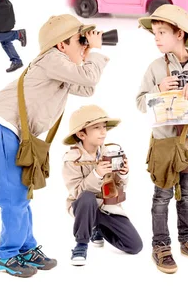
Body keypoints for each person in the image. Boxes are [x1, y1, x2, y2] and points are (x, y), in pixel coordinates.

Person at [0, 13, 109, 277]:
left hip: (15, 131)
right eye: (79, 40)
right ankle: (5, 254)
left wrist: (85, 53)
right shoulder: (52, 59)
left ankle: (25, 248)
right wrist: (93, 52)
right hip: (3, 126)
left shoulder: (61, 67)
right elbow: (89, 78)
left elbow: (87, 88)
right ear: (61, 45)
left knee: (23, 194)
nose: (84, 44)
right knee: (13, 196)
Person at [135, 4, 188, 274]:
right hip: (163, 144)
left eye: (162, 32)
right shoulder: (154, 68)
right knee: (161, 196)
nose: (157, 38)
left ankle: (187, 240)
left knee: (187, 195)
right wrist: (157, 90)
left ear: (180, 34)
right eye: (155, 33)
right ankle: (160, 244)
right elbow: (140, 103)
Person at [62, 104, 143, 266]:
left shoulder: (110, 153)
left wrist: (123, 173)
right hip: (83, 206)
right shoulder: (72, 159)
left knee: (134, 246)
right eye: (97, 128)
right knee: (86, 197)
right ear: (81, 134)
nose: (103, 132)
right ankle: (81, 244)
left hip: (107, 207)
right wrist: (97, 174)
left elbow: (119, 188)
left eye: (104, 127)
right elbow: (77, 193)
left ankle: (98, 228)